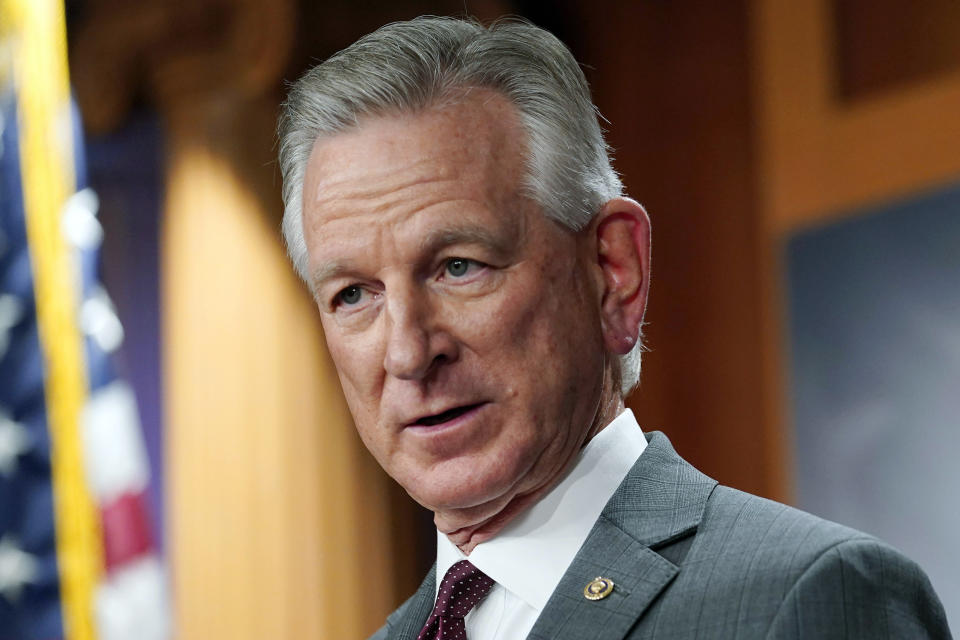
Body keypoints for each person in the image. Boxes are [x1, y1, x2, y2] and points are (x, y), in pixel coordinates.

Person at [277, 16, 951, 640]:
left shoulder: (805, 600)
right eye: (354, 295)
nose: (407, 352)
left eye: (458, 266)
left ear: (612, 270)